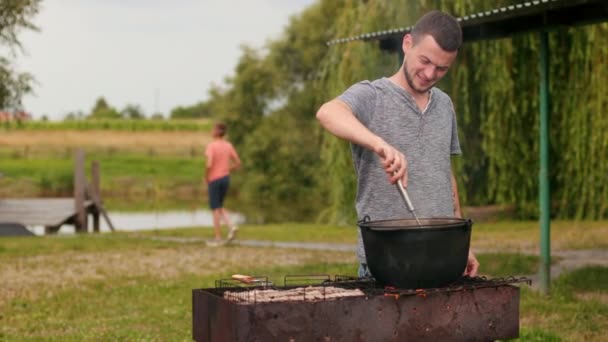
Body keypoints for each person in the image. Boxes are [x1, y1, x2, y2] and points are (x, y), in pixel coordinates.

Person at [316, 10, 479, 278]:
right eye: (424, 61)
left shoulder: (445, 105)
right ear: (407, 44)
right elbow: (328, 112)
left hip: (442, 257)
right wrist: (380, 145)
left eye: (441, 68)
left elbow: (444, 175)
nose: (429, 74)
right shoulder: (373, 96)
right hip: (386, 261)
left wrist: (463, 245)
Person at [205, 122, 241, 245]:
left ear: (216, 132)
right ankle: (231, 226)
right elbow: (238, 163)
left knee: (215, 208)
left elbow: (209, 164)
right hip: (225, 178)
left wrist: (207, 176)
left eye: (212, 129)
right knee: (219, 205)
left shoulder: (211, 146)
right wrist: (227, 169)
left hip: (214, 179)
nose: (211, 131)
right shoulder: (228, 145)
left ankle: (218, 237)